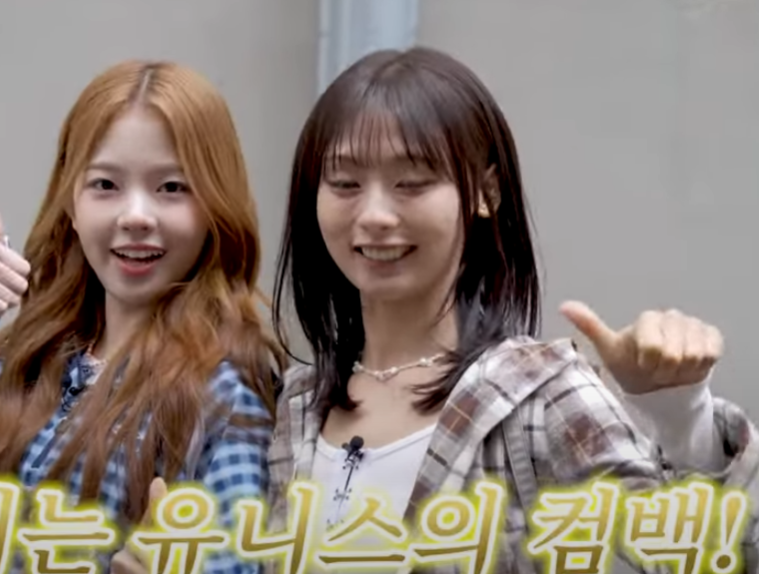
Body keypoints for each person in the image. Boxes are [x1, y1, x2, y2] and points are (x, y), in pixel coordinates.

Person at [264, 46, 759, 574]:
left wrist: (681, 416)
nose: (375, 214)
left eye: (412, 182)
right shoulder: (298, 406)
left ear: (486, 192)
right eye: (344, 183)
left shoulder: (540, 398)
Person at [0, 59, 283, 574]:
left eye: (171, 187)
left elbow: (235, 556)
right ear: (71, 203)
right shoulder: (20, 362)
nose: (135, 216)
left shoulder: (225, 395)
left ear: (216, 205)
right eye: (105, 184)